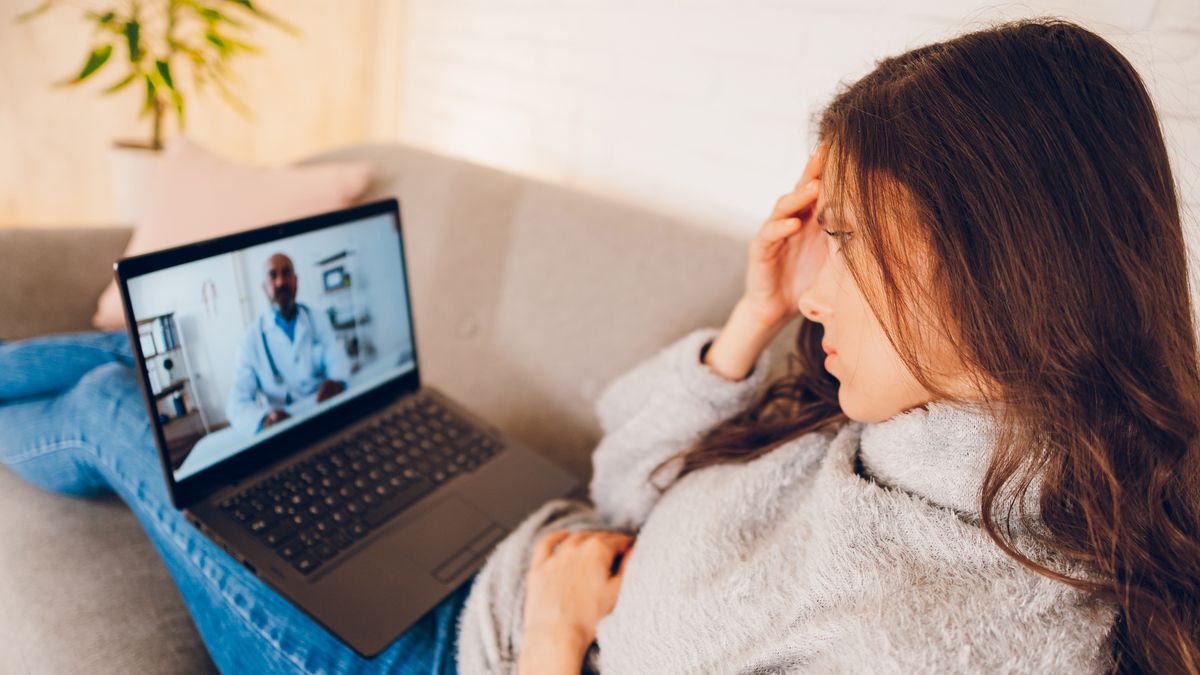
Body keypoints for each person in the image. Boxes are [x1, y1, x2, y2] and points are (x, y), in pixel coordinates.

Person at [1, 16, 1197, 675]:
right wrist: (750, 320)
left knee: (125, 401)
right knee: (152, 391)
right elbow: (636, 490)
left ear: (987, 257)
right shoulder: (914, 434)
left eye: (846, 235)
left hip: (428, 657)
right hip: (520, 554)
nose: (815, 271)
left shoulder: (943, 634)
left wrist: (560, 641)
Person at [226, 252, 351, 433]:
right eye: (273, 275)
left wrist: (337, 381)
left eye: (286, 273)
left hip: (325, 411)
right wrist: (264, 420)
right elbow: (236, 403)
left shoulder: (317, 319)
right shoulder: (250, 340)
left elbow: (337, 358)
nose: (280, 282)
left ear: (296, 280)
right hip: (284, 426)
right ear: (264, 286)